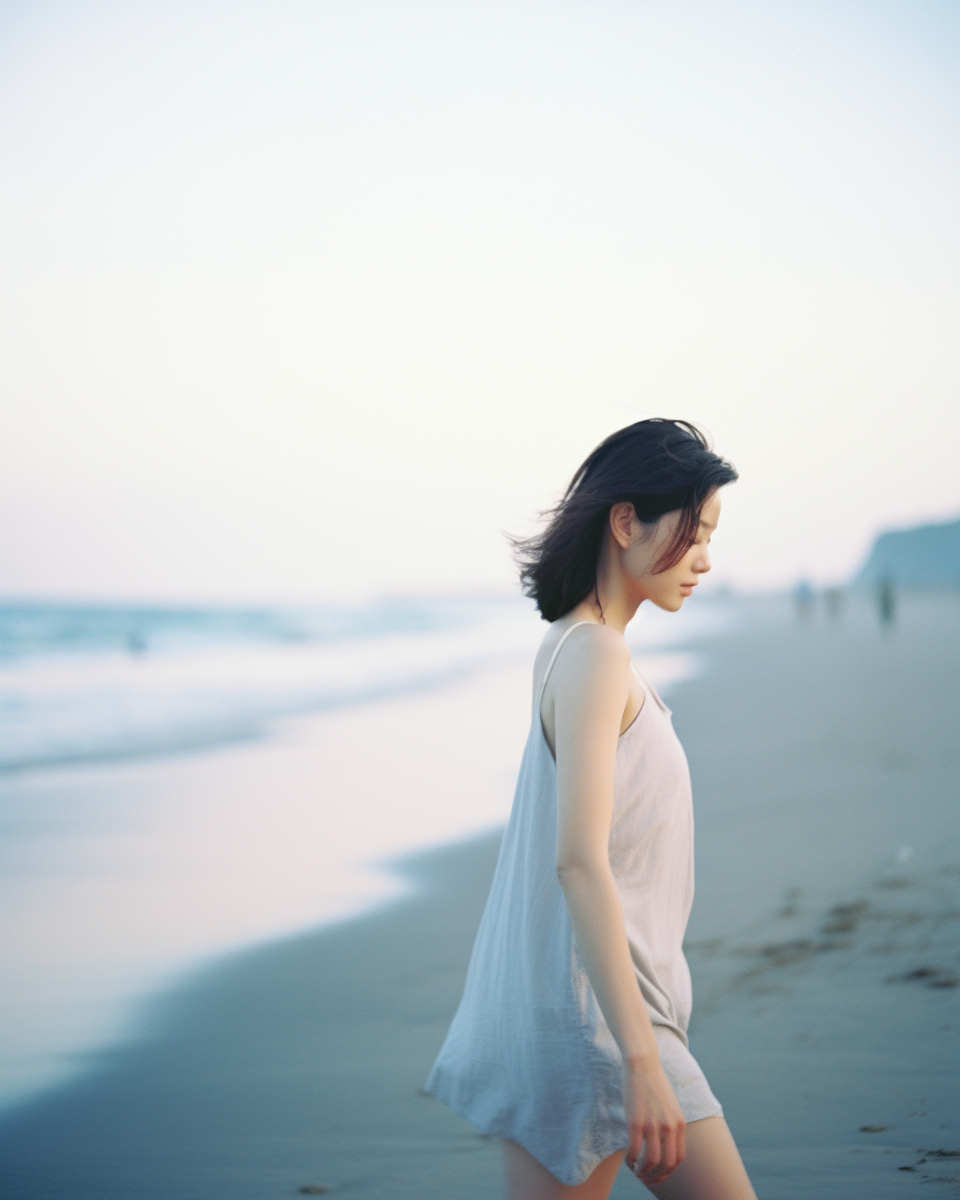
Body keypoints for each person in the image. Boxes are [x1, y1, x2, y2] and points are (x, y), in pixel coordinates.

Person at [426, 419, 757, 1199]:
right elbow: (578, 859)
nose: (706, 559)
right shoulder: (596, 654)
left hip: (579, 1020)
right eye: (695, 531)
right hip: (608, 1027)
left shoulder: (572, 646)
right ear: (625, 521)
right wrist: (641, 1059)